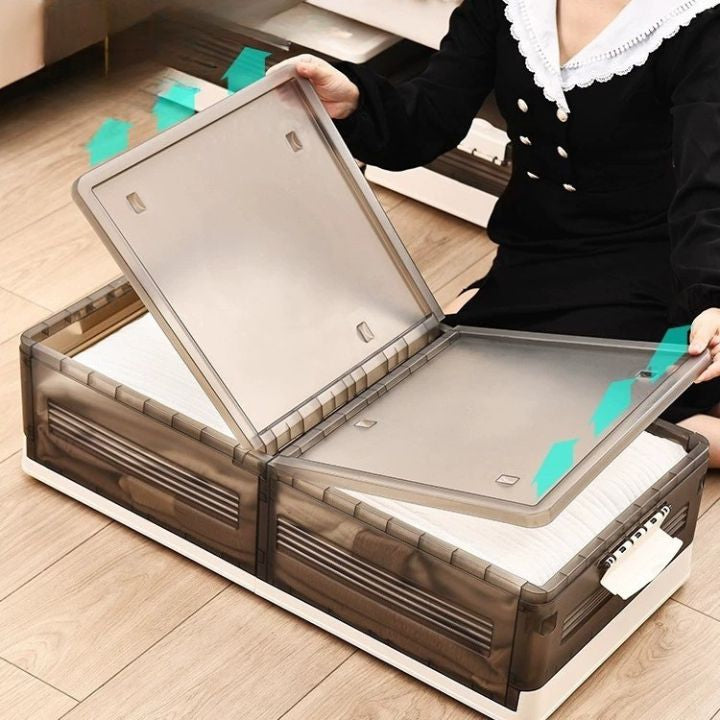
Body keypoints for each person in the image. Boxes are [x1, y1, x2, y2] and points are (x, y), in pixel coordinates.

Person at [274, 0, 720, 467]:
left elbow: (707, 185)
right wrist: (355, 101)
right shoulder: (507, 6)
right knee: (434, 385)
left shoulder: (696, 22)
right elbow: (429, 117)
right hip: (535, 253)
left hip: (654, 266)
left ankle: (691, 430)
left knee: (567, 431)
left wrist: (709, 296)